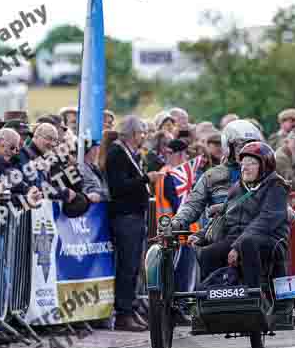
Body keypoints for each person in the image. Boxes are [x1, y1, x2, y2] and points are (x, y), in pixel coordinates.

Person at [188, 142, 290, 293]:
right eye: (243, 163)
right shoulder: (237, 188)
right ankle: (210, 299)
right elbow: (222, 216)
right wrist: (201, 235)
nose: (245, 167)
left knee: (248, 243)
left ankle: (254, 295)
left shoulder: (276, 186)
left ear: (265, 165)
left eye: (252, 163)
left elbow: (265, 221)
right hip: (237, 238)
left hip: (270, 239)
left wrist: (238, 245)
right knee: (208, 254)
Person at [106, 116, 162, 331]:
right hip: (125, 216)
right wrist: (146, 179)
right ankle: (123, 312)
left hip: (135, 215)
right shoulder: (117, 153)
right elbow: (119, 186)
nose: (144, 136)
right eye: (141, 133)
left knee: (133, 267)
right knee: (127, 266)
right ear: (133, 133)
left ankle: (130, 308)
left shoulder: (130, 153)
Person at [171, 119, 263, 231]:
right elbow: (193, 205)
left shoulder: (266, 174)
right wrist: (177, 221)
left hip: (256, 237)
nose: (247, 151)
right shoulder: (212, 176)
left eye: (252, 146)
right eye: (241, 146)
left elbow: (279, 208)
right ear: (229, 147)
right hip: (220, 236)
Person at [79, 139, 109, 204]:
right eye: (93, 149)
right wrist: (108, 194)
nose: (96, 152)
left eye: (97, 149)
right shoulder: (81, 169)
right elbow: (89, 191)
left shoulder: (95, 168)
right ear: (86, 151)